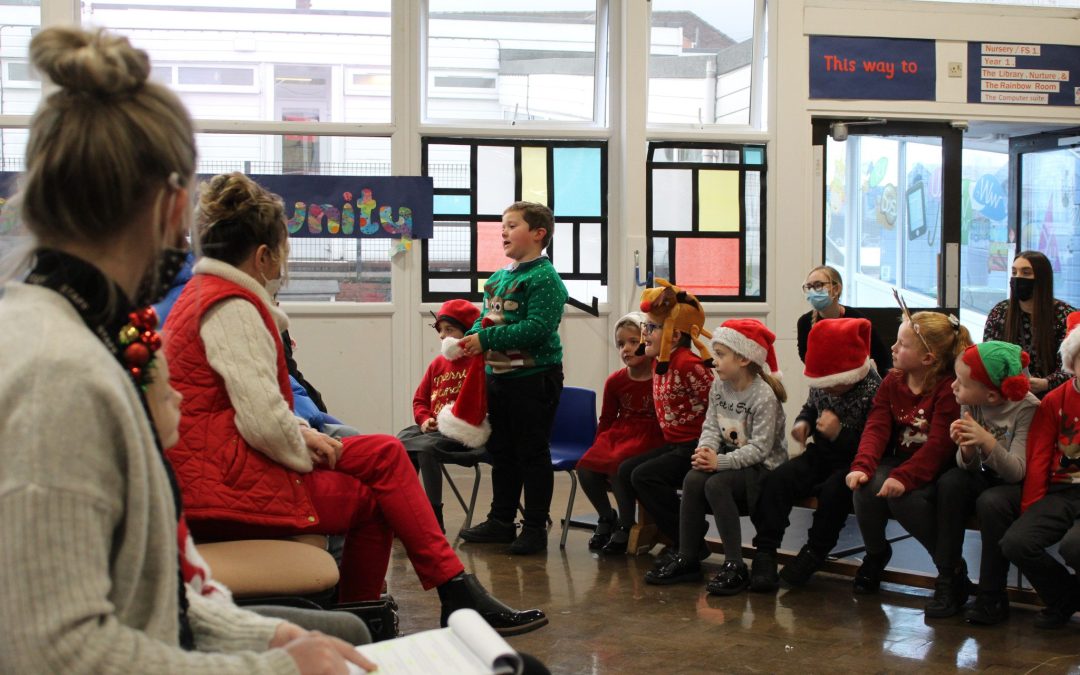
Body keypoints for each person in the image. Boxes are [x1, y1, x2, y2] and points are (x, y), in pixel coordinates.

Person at [0, 26, 371, 673]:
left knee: (339, 633)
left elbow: (151, 588)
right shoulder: (60, 372)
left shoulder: (79, 332)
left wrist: (268, 638)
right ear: (175, 206)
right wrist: (279, 667)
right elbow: (57, 652)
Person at [163, 171, 546, 636]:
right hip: (219, 485)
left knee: (385, 453)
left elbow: (242, 405)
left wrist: (303, 434)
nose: (283, 262)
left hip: (219, 467)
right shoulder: (233, 307)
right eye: (282, 251)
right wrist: (304, 443)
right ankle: (389, 612)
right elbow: (262, 423)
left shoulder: (207, 296)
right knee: (376, 492)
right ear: (262, 256)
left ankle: (411, 605)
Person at [144, 351, 373, 647]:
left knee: (351, 630)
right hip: (173, 635)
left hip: (194, 614)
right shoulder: (151, 485)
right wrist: (277, 660)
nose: (179, 396)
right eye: (166, 394)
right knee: (370, 482)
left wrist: (268, 636)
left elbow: (192, 598)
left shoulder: (161, 471)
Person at [456, 201, 568, 555]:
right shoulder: (499, 278)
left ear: (538, 233)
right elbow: (485, 318)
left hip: (533, 379)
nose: (503, 232)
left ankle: (534, 528)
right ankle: (501, 520)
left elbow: (537, 329)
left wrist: (486, 340)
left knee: (531, 453)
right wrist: (471, 338)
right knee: (501, 451)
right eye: (502, 226)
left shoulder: (545, 279)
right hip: (499, 377)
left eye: (512, 225)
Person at [646, 320, 787, 596]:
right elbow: (711, 426)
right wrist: (705, 451)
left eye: (720, 355)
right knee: (693, 478)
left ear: (744, 358)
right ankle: (688, 557)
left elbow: (760, 450)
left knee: (716, 484)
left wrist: (719, 462)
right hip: (730, 458)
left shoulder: (764, 396)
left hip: (762, 467)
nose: (714, 361)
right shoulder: (720, 386)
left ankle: (735, 564)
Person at [750, 318, 882, 591]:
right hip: (821, 453)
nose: (828, 389)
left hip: (854, 461)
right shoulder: (823, 382)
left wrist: (839, 432)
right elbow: (811, 406)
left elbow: (876, 441)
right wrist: (804, 423)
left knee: (834, 492)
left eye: (834, 385)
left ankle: (815, 551)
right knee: (779, 479)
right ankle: (765, 550)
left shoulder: (873, 390)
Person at [846, 311, 972, 595]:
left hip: (938, 467)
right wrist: (862, 465)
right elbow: (876, 427)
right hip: (902, 461)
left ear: (927, 358)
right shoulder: (893, 381)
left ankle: (950, 568)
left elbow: (939, 446)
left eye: (902, 344)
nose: (893, 347)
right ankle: (876, 554)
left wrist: (903, 477)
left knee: (906, 501)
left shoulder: (947, 388)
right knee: (865, 487)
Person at [936, 342, 1038, 623]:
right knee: (951, 483)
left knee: (991, 503)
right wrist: (967, 448)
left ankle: (992, 595)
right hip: (985, 475)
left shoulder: (1027, 408)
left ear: (991, 395)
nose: (953, 386)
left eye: (961, 382)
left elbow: (1017, 472)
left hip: (1016, 486)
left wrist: (986, 441)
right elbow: (967, 466)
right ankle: (949, 579)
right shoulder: (969, 401)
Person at [605, 298, 714, 556]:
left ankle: (689, 542)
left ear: (674, 336)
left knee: (644, 476)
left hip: (695, 446)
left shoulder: (688, 363)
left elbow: (715, 404)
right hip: (674, 445)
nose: (645, 334)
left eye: (651, 328)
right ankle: (683, 532)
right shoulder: (659, 360)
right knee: (626, 470)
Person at [1000, 311, 1080, 629]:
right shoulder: (1055, 400)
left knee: (1074, 547)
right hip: (1062, 490)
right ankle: (1066, 596)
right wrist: (1031, 508)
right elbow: (1039, 457)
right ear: (1071, 362)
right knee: (1016, 542)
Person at [575, 312, 665, 550]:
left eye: (633, 342)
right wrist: (597, 446)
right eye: (621, 344)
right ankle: (606, 516)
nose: (626, 349)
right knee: (586, 467)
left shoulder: (661, 375)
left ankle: (627, 524)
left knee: (618, 465)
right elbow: (606, 419)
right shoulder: (615, 381)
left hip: (650, 434)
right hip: (621, 432)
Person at [397, 298, 484, 531]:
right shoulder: (438, 364)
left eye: (449, 330)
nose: (443, 336)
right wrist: (425, 420)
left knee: (426, 449)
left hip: (464, 434)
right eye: (440, 330)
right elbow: (420, 400)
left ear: (467, 331)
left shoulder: (478, 362)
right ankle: (404, 511)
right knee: (399, 442)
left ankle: (433, 518)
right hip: (435, 430)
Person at [982, 251, 1076, 397]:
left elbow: (1073, 367)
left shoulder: (1065, 316)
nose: (1018, 278)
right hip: (1007, 397)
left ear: (1042, 279)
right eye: (1014, 272)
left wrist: (1046, 383)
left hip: (1053, 397)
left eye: (1026, 273)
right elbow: (988, 357)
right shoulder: (1000, 312)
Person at [796, 265, 892, 372]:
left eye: (818, 285)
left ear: (836, 289)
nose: (812, 291)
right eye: (809, 287)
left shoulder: (857, 320)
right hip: (823, 379)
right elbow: (807, 359)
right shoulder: (805, 323)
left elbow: (881, 356)